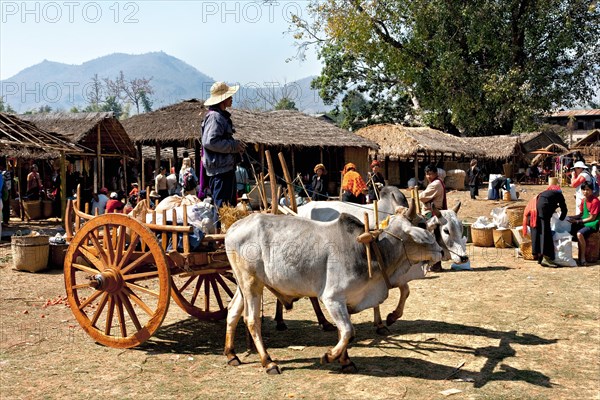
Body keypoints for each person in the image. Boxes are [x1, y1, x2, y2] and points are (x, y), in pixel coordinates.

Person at [201, 81, 246, 208]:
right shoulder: (215, 117)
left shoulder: (220, 117)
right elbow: (210, 141)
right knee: (222, 208)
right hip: (220, 171)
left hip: (225, 168)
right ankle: (219, 229)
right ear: (223, 99)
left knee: (229, 206)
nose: (231, 98)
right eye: (229, 96)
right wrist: (233, 146)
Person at [533, 184, 568, 267]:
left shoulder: (546, 193)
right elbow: (564, 209)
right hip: (544, 209)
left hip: (537, 208)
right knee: (546, 233)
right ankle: (546, 257)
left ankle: (539, 256)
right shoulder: (559, 194)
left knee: (541, 232)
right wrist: (561, 219)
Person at [568, 182, 599, 266]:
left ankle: (582, 258)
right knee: (568, 230)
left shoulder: (595, 201)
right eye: (584, 190)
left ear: (592, 190)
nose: (585, 192)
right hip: (584, 221)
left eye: (588, 190)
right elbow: (581, 214)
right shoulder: (584, 200)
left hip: (592, 224)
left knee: (579, 234)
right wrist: (570, 218)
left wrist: (578, 221)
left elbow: (592, 218)